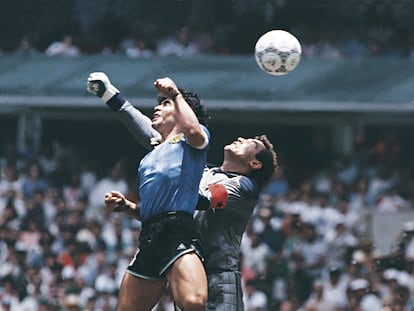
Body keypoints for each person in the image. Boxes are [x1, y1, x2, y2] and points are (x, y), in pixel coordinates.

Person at [86, 72, 210, 311]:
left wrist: (175, 94)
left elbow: (192, 129)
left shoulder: (193, 141)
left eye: (164, 104)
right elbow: (134, 120)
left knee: (194, 303)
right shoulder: (151, 156)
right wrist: (128, 207)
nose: (157, 108)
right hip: (149, 236)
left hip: (177, 233)